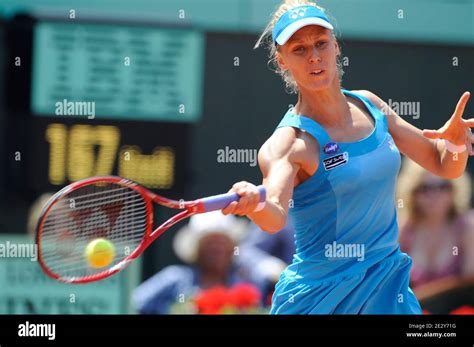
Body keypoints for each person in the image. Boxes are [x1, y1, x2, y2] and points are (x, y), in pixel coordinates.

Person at [221, 0, 474, 314]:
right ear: (281, 60)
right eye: (299, 49)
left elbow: (443, 166)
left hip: (386, 290)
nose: (314, 56)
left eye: (321, 44)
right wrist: (253, 203)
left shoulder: (371, 105)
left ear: (336, 46)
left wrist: (455, 145)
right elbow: (274, 213)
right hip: (319, 299)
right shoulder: (288, 143)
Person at [132, 211, 277, 314]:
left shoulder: (250, 282)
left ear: (232, 248)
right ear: (197, 249)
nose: (216, 249)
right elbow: (132, 303)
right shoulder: (174, 278)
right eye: (209, 243)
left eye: (222, 243)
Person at [397, 158, 474, 288]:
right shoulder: (403, 231)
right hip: (415, 308)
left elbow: (469, 286)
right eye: (425, 188)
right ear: (412, 193)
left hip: (459, 307)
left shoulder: (468, 228)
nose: (435, 195)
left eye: (443, 186)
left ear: (455, 190)